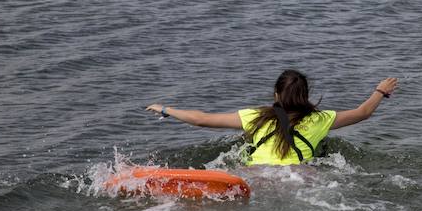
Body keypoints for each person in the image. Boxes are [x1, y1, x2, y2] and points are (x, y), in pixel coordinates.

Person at [146, 70, 398, 165]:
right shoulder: (321, 119)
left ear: (275, 94)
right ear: (305, 96)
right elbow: (363, 112)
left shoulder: (254, 116)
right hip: (300, 176)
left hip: (257, 174)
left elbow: (201, 119)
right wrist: (380, 91)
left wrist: (166, 109)